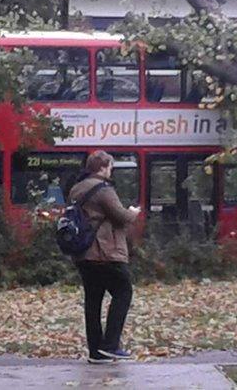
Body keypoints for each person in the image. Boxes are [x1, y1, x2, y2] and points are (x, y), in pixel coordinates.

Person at [69, 151, 141, 364]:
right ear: (103, 167)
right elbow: (121, 217)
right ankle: (110, 345)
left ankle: (96, 351)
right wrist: (133, 212)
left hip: (83, 254)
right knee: (123, 291)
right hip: (105, 251)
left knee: (93, 299)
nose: (111, 170)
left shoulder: (77, 188)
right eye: (110, 166)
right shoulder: (104, 189)